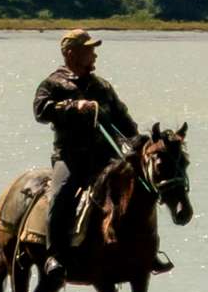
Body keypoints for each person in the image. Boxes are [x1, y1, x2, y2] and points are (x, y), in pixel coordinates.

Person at [29, 28, 137, 255]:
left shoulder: (102, 87)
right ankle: (54, 255)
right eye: (89, 50)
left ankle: (143, 250)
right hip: (70, 157)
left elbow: (124, 121)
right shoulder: (53, 84)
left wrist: (137, 142)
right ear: (71, 54)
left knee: (137, 189)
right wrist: (72, 107)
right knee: (62, 194)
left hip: (106, 157)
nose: (94, 56)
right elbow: (40, 112)